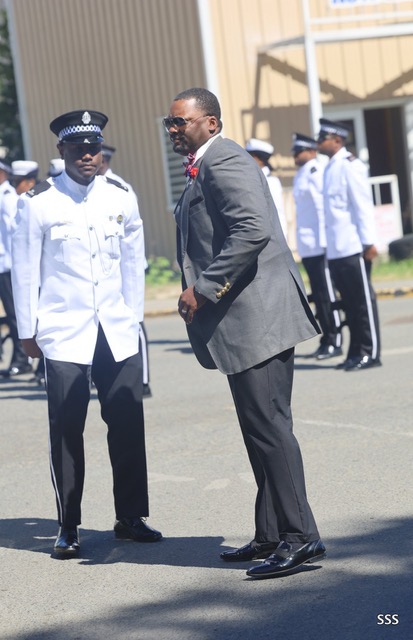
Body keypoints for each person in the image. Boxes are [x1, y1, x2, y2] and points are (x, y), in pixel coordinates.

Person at [164, 87, 326, 579]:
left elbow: (252, 230)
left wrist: (204, 288)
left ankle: (300, 537)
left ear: (211, 123)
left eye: (181, 122)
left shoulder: (225, 160)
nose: (173, 130)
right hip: (246, 320)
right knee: (259, 430)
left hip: (258, 316)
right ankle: (272, 533)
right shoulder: (205, 164)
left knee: (270, 428)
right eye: (169, 123)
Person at [11, 109, 162, 558]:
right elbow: (24, 271)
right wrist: (27, 331)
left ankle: (130, 517)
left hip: (115, 328)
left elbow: (133, 261)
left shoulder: (120, 196)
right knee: (66, 429)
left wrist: (132, 317)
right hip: (63, 332)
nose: (87, 156)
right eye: (78, 149)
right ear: (62, 151)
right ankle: (68, 525)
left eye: (93, 148)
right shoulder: (38, 202)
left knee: (128, 424)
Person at [317, 118, 381, 371]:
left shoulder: (350, 166)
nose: (318, 142)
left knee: (363, 303)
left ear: (337, 140)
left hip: (354, 247)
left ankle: (370, 352)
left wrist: (369, 242)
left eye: (322, 138)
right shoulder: (330, 168)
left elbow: (362, 205)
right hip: (337, 249)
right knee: (350, 305)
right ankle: (355, 352)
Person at [98, 143, 152, 397]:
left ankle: (143, 378)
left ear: (104, 161)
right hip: (107, 269)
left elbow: (132, 233)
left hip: (124, 266)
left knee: (134, 323)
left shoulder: (120, 188)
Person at [292, 133, 342, 359]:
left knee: (327, 295)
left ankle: (335, 340)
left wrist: (326, 242)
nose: (295, 155)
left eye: (299, 151)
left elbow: (322, 209)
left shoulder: (316, 171)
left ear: (311, 151)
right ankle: (326, 339)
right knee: (319, 297)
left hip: (320, 245)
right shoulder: (302, 173)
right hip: (308, 246)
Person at [0, 161, 35, 376]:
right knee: (10, 315)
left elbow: (15, 233)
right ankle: (18, 357)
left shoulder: (8, 197)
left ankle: (22, 359)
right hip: (3, 265)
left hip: (9, 265)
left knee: (15, 315)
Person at [245, 138, 288, 239]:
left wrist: (281, 238)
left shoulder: (271, 181)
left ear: (258, 159)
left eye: (249, 156)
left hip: (271, 238)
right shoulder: (251, 178)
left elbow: (277, 213)